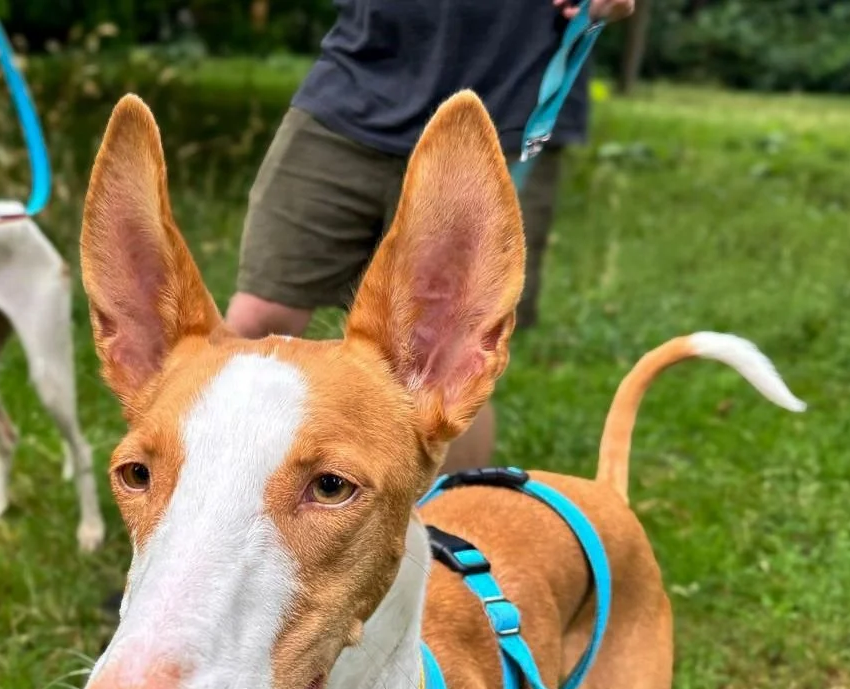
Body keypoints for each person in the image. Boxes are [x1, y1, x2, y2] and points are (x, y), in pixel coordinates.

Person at [226, 0, 636, 469]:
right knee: (257, 317)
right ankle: (213, 490)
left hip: (511, 100)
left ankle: (444, 513)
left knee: (450, 361)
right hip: (353, 87)